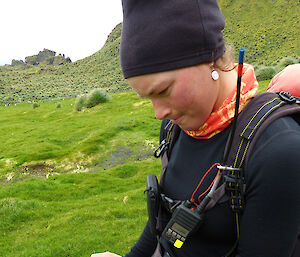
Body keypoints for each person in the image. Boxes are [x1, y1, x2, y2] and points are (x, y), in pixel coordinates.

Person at [91, 0, 300, 256]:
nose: (159, 113)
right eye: (148, 98)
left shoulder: (279, 150)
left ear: (209, 58)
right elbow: (164, 222)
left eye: (163, 91)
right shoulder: (174, 128)